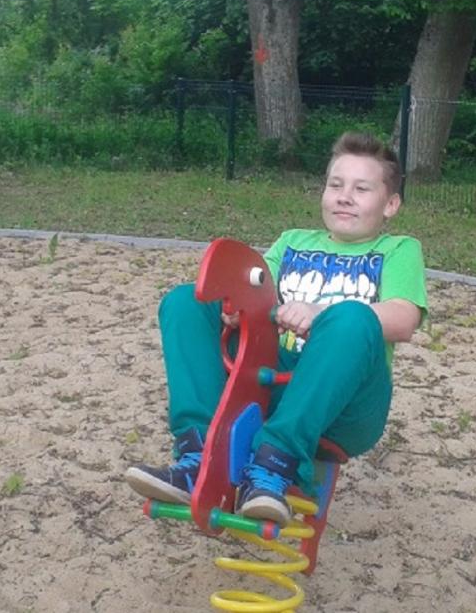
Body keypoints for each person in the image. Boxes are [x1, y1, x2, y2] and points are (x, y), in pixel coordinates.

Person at [125, 131, 428, 527]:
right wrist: (235, 311)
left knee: (354, 318)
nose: (344, 197)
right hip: (271, 386)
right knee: (186, 301)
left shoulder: (398, 250)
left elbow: (403, 318)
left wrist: (320, 313)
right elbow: (253, 295)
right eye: (335, 185)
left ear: (390, 204)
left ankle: (275, 461)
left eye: (361, 189)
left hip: (348, 405)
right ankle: (198, 453)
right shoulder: (292, 242)